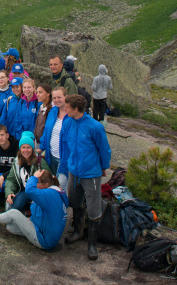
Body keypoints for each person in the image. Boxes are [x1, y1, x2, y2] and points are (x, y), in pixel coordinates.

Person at [59, 94, 111, 260]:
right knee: (75, 202)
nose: (64, 110)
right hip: (74, 171)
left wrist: (103, 167)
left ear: (76, 109)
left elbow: (104, 149)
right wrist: (65, 165)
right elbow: (65, 145)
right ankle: (78, 231)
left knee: (94, 208)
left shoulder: (95, 127)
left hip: (91, 173)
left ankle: (92, 245)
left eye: (67, 107)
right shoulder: (68, 122)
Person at [0, 170, 68, 252]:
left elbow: (29, 191)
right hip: (47, 234)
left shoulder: (49, 194)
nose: (35, 184)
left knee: (14, 212)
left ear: (46, 184)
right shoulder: (54, 192)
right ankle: (0, 219)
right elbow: (46, 216)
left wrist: (34, 177)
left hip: (44, 240)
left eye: (37, 182)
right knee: (10, 227)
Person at [4, 132, 50, 213]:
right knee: (15, 206)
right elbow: (11, 179)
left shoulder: (40, 161)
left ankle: (31, 210)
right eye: (23, 147)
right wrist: (9, 193)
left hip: (38, 192)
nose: (26, 150)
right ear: (20, 148)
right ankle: (26, 209)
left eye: (28, 147)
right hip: (25, 191)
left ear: (32, 149)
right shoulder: (16, 162)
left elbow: (49, 180)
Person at [40, 87, 68, 188]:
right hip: (51, 155)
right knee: (51, 184)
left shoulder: (71, 114)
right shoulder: (52, 111)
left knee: (60, 186)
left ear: (66, 97)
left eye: (59, 97)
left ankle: (63, 204)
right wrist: (41, 147)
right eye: (54, 98)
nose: (56, 100)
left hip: (64, 157)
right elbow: (47, 132)